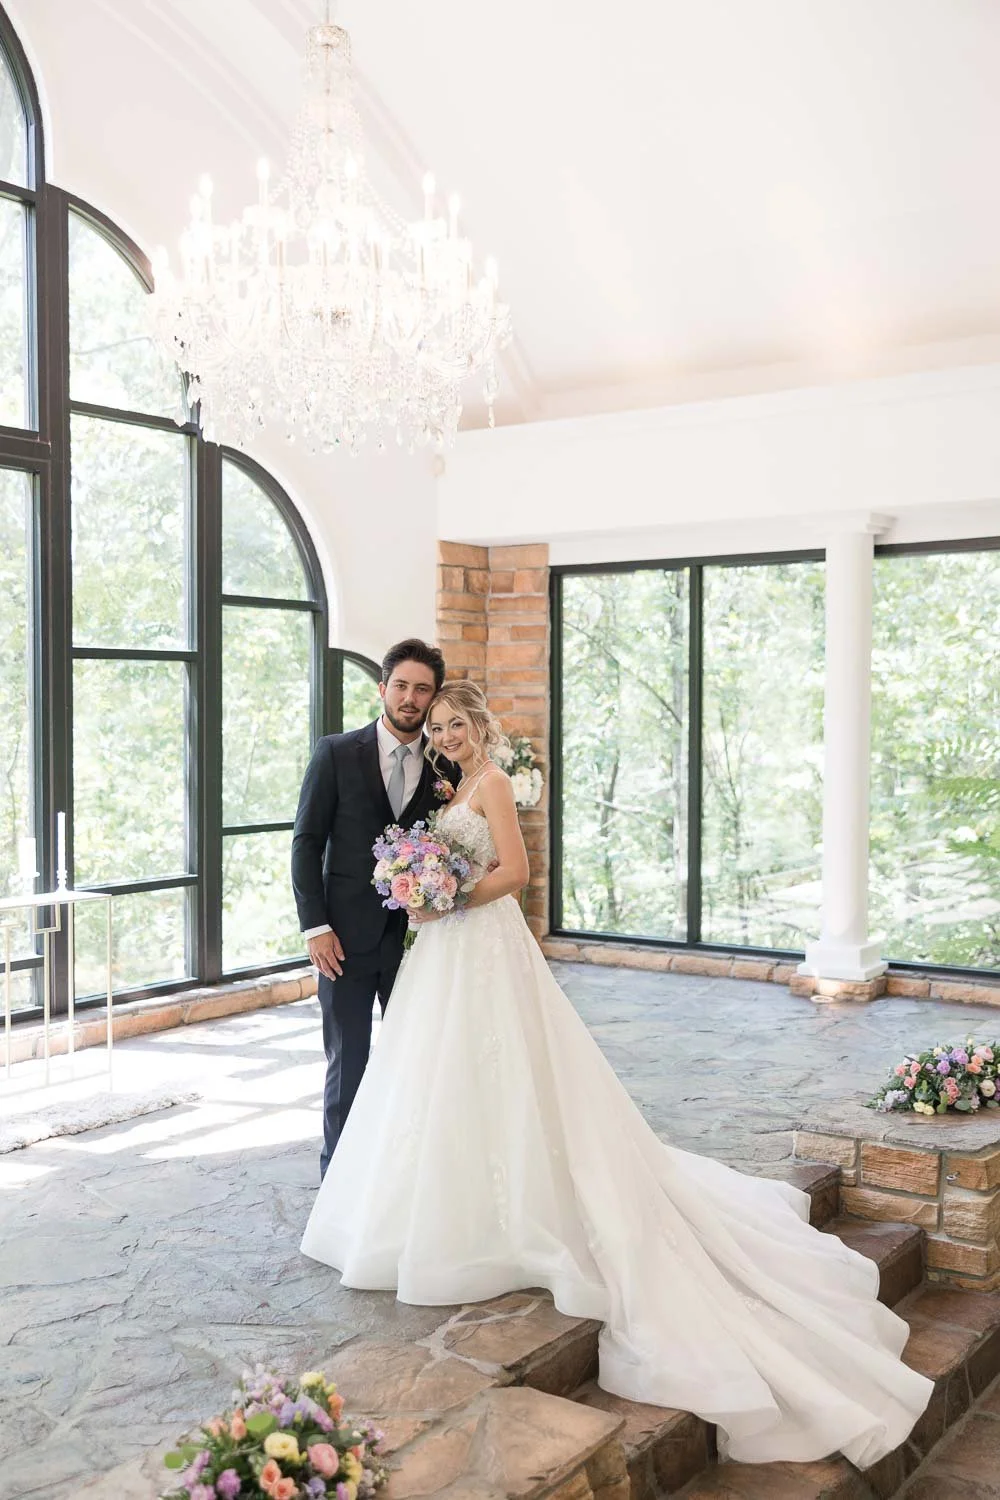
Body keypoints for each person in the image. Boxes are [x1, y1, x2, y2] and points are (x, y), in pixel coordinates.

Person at [300, 680, 932, 1469]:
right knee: (434, 1077)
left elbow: (516, 873)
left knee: (505, 1069)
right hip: (447, 950)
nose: (446, 735)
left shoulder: (490, 783)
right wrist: (424, 891)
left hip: (482, 940)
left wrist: (450, 896)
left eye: (456, 723)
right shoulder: (451, 786)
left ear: (479, 725)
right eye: (437, 727)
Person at [290, 638, 458, 1178]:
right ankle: (338, 1185)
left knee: (419, 1062)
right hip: (343, 940)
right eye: (401, 686)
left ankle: (405, 1182)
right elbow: (306, 844)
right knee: (348, 1065)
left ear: (434, 698)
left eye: (422, 690)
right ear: (382, 688)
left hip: (420, 940)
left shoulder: (446, 766)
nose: (410, 698)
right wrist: (315, 926)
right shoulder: (336, 753)